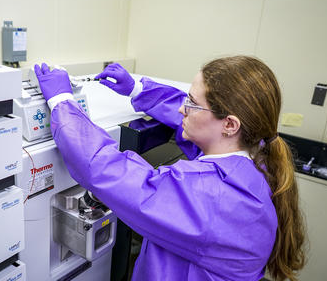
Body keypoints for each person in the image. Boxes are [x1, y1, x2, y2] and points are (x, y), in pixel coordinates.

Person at [34, 56, 306, 281]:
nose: (182, 110)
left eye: (192, 104)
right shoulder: (256, 156)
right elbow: (198, 117)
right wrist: (138, 89)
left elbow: (103, 168)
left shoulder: (209, 197)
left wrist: (62, 102)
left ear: (230, 124)